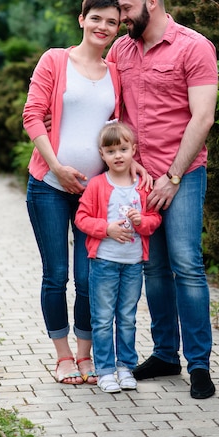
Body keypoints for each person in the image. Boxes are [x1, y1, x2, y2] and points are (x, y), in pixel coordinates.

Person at [106, 0, 218, 400]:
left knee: (187, 264)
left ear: (151, 3)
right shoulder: (122, 49)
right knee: (153, 267)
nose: (121, 16)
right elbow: (116, 113)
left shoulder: (194, 47)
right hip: (140, 178)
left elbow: (202, 117)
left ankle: (200, 365)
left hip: (183, 174)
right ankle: (166, 354)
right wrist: (132, 164)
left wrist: (172, 176)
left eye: (126, 8)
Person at [22, 0, 122, 385]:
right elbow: (33, 115)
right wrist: (57, 167)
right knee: (56, 275)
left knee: (87, 277)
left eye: (112, 22)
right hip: (48, 184)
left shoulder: (115, 71)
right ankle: (62, 356)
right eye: (96, 18)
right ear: (82, 19)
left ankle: (86, 355)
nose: (103, 27)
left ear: (117, 29)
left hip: (93, 194)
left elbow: (121, 130)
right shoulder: (55, 60)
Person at [74, 121, 161, 393]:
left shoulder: (143, 186)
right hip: (103, 263)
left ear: (133, 150)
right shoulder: (98, 185)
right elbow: (81, 218)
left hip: (134, 264)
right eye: (111, 151)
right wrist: (106, 229)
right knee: (101, 318)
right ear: (102, 154)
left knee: (127, 317)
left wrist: (141, 222)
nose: (118, 155)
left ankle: (125, 367)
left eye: (123, 149)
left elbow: (154, 219)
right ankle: (105, 370)